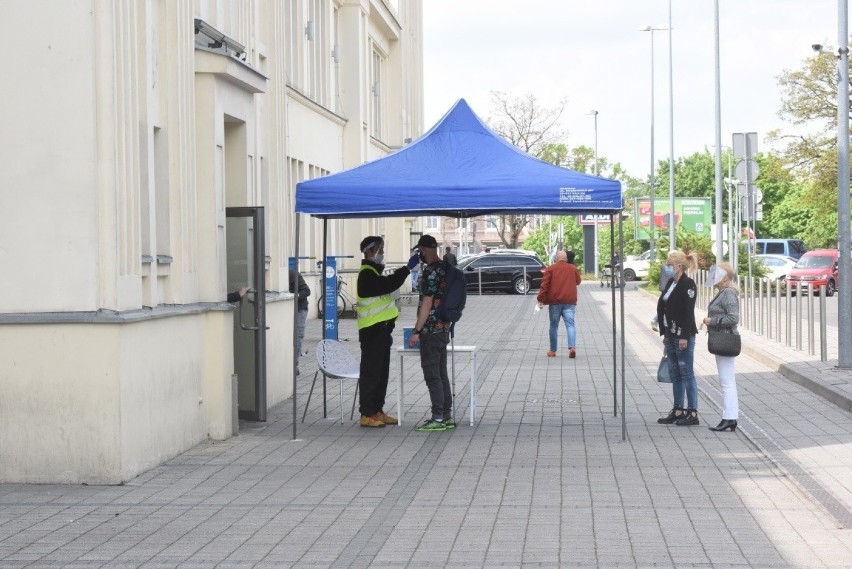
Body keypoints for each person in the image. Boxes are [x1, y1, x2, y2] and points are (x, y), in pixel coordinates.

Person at [356, 236, 420, 428]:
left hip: (382, 331)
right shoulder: (366, 274)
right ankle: (367, 414)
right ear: (369, 251)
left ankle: (377, 410)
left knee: (381, 373)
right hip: (372, 331)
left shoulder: (374, 272)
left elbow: (387, 285)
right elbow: (388, 285)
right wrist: (407, 269)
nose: (382, 254)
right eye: (380, 250)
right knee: (371, 373)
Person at [408, 234, 454, 432]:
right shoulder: (446, 268)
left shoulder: (430, 272)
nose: (420, 255)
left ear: (425, 250)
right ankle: (446, 415)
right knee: (441, 372)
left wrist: (417, 330)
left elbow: (427, 302)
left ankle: (438, 418)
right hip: (444, 328)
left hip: (430, 330)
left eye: (420, 251)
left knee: (432, 374)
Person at [656, 250, 700, 426]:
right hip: (670, 332)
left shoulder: (688, 284)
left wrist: (683, 336)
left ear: (679, 266)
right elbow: (665, 306)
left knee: (687, 373)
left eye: (670, 265)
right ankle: (678, 409)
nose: (667, 267)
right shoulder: (671, 283)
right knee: (675, 372)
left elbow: (688, 312)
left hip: (683, 334)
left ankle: (693, 412)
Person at [703, 262, 740, 432]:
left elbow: (733, 318)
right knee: (727, 380)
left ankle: (729, 417)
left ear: (724, 277)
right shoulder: (723, 292)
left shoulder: (728, 293)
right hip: (722, 337)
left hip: (725, 337)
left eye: (717, 274)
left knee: (727, 381)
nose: (714, 277)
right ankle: (730, 417)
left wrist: (713, 321)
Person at [537, 250, 582, 358]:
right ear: (566, 259)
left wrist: (540, 299)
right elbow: (578, 281)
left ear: (556, 259)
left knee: (553, 326)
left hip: (555, 302)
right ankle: (572, 348)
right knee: (570, 325)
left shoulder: (551, 269)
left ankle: (553, 351)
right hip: (569, 302)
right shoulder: (573, 268)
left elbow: (544, 285)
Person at [289, 271, 311, 375]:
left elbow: (307, 290)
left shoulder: (293, 275)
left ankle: (295, 364)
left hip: (300, 309)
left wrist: (295, 296)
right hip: (287, 309)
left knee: (298, 335)